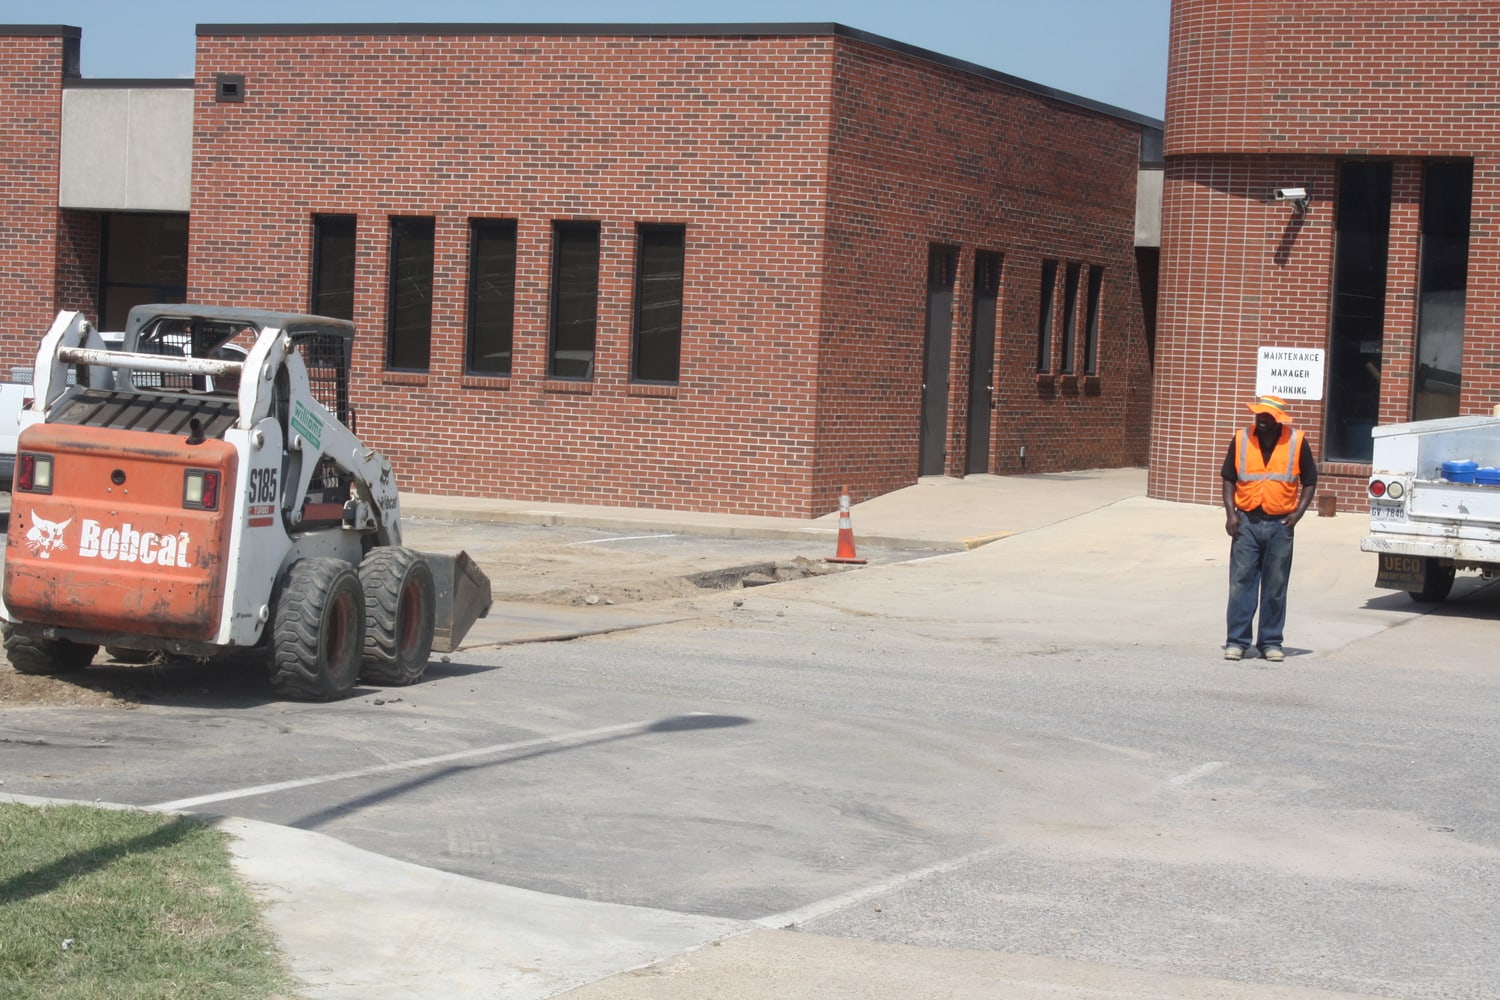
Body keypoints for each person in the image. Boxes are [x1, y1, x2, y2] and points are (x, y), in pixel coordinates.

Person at [1221, 394, 1318, 662]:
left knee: (1275, 586)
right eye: (1258, 415)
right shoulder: (1241, 439)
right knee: (1241, 583)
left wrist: (1297, 515)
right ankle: (1237, 641)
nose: (1261, 420)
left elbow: (1310, 480)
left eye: (1267, 417)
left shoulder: (1297, 442)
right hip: (1247, 522)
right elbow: (1228, 477)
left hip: (1280, 524)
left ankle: (1271, 642)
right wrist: (1231, 514)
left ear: (1278, 420)